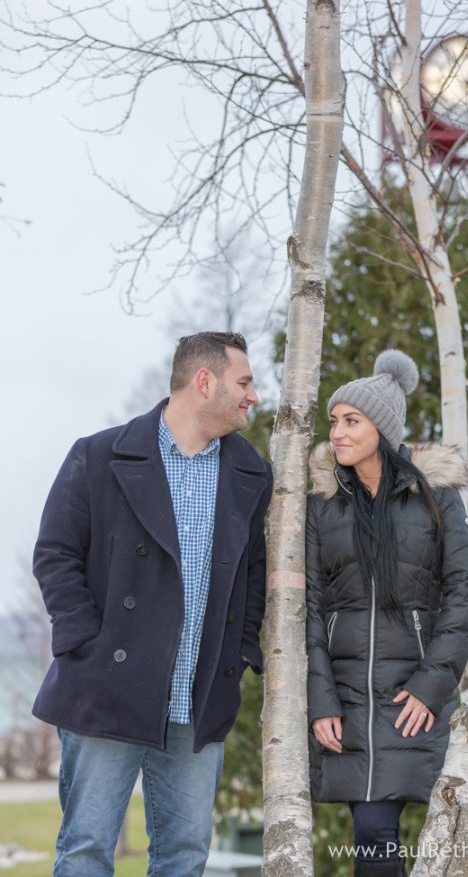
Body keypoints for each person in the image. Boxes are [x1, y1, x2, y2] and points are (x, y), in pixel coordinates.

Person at [32, 331, 273, 877]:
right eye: (244, 382)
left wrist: (240, 652)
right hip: (106, 686)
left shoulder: (252, 474)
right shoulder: (99, 455)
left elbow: (253, 575)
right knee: (87, 850)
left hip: (198, 693)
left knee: (185, 856)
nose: (253, 396)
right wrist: (83, 641)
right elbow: (55, 553)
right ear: (204, 382)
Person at [305, 349, 468, 877]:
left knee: (377, 831)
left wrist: (432, 685)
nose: (337, 433)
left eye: (351, 421)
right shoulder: (322, 503)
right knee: (371, 831)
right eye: (334, 420)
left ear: (382, 429)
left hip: (412, 696)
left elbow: (465, 590)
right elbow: (310, 604)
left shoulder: (436, 497)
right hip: (346, 699)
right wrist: (321, 700)